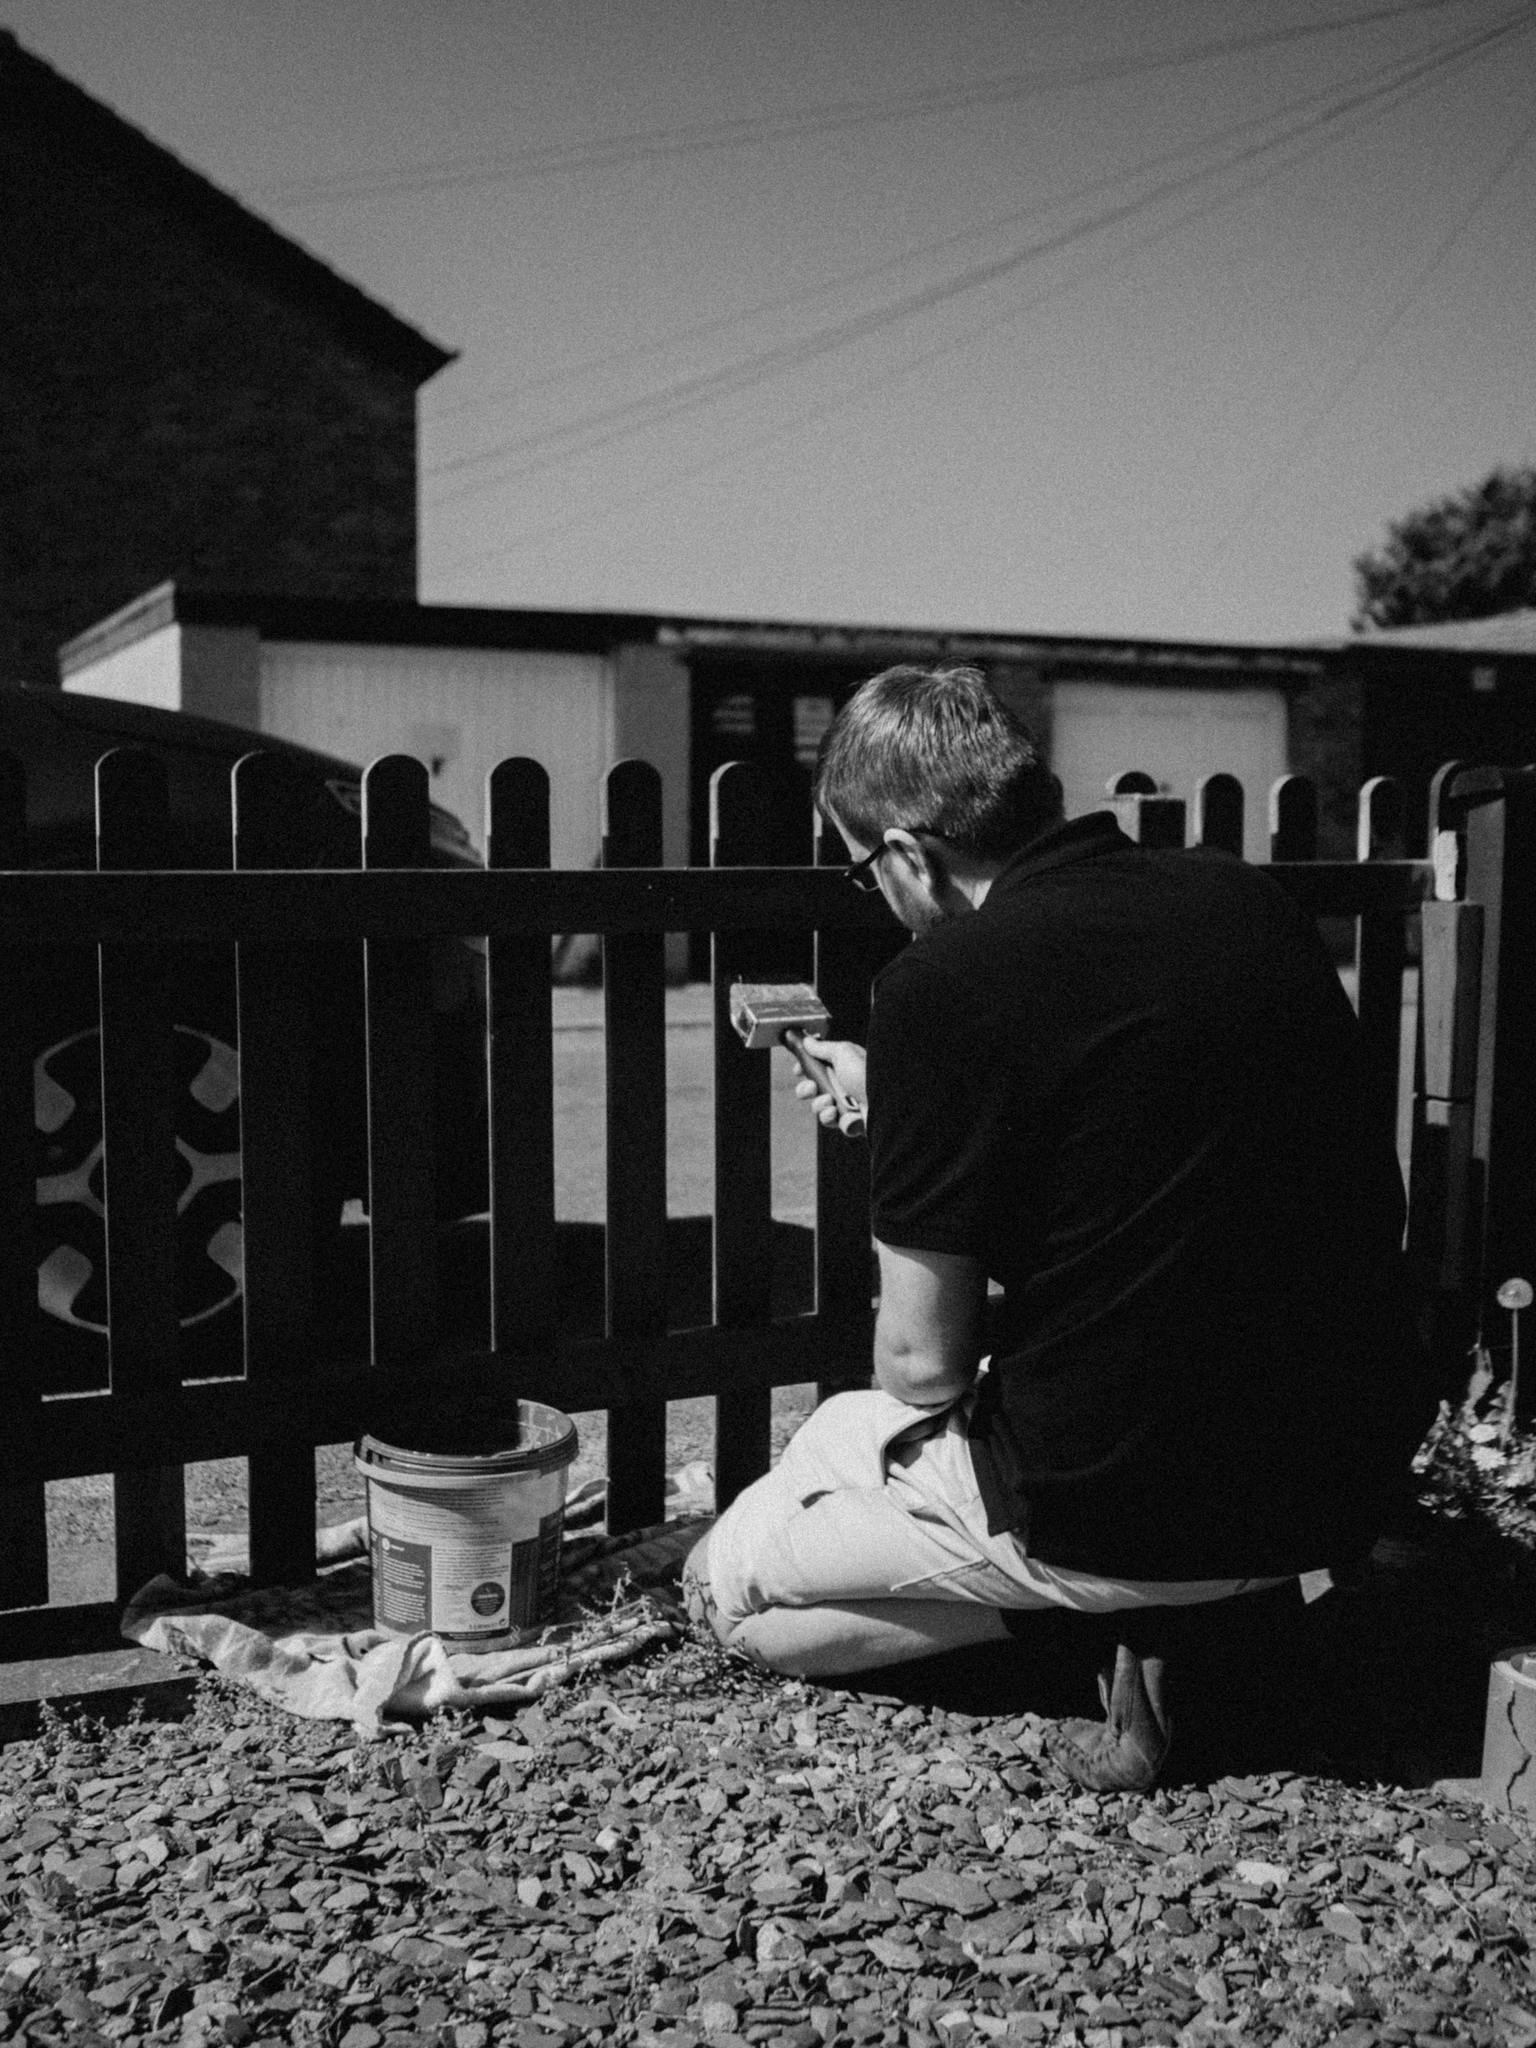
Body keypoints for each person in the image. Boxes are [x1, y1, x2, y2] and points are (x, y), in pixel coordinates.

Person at [682, 664, 1433, 1789]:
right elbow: (1135, 1111)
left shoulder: (939, 982)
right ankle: (1204, 1611)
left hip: (1116, 1504)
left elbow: (923, 1366)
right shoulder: (1241, 899)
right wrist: (912, 1096)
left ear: (906, 854)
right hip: (1336, 1477)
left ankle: (1112, 1632)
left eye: (862, 871)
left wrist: (908, 1114)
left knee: (726, 1588)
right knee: (834, 1433)